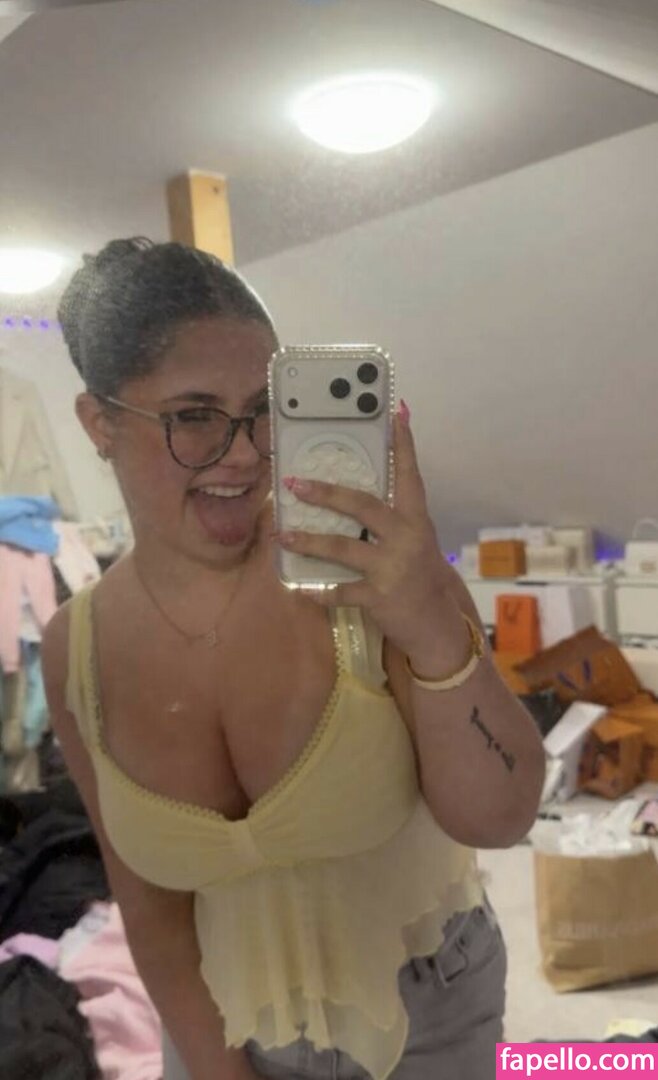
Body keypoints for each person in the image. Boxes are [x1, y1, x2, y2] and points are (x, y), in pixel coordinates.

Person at [42, 238, 545, 1080]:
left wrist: (431, 627)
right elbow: (153, 914)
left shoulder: (372, 573)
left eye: (267, 408)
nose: (245, 453)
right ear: (100, 424)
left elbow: (503, 818)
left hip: (429, 1015)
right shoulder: (75, 649)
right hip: (218, 1024)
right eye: (194, 415)